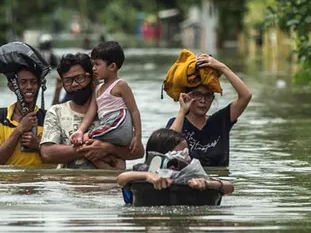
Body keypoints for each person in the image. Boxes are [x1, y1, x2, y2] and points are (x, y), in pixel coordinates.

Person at [40, 53, 143, 168]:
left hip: (107, 184)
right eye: (68, 81)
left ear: (93, 77)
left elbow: (138, 152)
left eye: (79, 78)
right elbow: (47, 153)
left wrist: (108, 148)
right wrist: (87, 150)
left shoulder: (110, 110)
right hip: (70, 184)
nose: (74, 84)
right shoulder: (56, 112)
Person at [167, 53, 252, 168]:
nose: (203, 100)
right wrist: (182, 111)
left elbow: (246, 96)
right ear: (187, 96)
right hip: (188, 181)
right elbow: (167, 147)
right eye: (197, 95)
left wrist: (222, 67)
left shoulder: (220, 121)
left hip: (219, 181)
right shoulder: (177, 122)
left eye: (208, 96)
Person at [70, 41, 142, 169]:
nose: (93, 69)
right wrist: (80, 130)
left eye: (97, 64)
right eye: (93, 65)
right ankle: (111, 175)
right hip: (110, 131)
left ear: (112, 66)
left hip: (118, 123)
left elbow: (134, 111)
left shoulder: (120, 85)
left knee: (85, 140)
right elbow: (91, 113)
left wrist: (137, 136)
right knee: (93, 150)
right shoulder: (97, 89)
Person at [117, 128, 234, 204]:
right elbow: (121, 178)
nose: (187, 158)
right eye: (180, 154)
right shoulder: (143, 174)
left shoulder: (191, 175)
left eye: (187, 153)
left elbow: (230, 187)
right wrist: (148, 176)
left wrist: (207, 183)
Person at [0, 67, 47, 166]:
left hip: (38, 180)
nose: (29, 86)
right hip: (9, 180)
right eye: (23, 82)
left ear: (39, 85)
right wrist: (19, 130)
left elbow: (58, 159)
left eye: (34, 82)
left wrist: (38, 145)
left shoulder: (47, 118)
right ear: (11, 87)